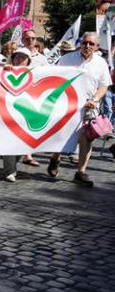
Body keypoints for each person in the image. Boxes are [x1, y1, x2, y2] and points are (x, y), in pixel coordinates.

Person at [48, 32, 111, 187]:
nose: (87, 46)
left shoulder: (101, 63)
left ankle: (80, 172)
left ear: (97, 47)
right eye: (85, 43)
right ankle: (56, 157)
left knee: (86, 137)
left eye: (91, 44)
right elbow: (55, 78)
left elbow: (104, 85)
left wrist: (95, 99)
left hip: (89, 106)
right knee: (63, 134)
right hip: (67, 105)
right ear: (80, 43)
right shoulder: (66, 59)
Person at [1, 47, 34, 182]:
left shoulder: (35, 73)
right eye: (17, 57)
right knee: (10, 140)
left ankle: (13, 164)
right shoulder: (4, 70)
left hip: (25, 112)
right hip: (7, 111)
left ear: (28, 61)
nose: (20, 60)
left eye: (23, 57)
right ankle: (10, 170)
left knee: (22, 144)